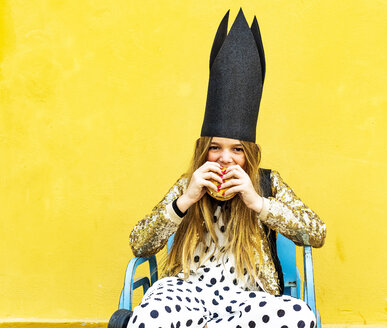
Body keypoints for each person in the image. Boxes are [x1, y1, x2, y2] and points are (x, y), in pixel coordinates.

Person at [127, 9, 326, 328]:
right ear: (203, 150)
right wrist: (183, 202)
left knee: (298, 315)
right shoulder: (187, 185)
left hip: (247, 300)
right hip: (186, 294)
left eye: (237, 150)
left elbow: (315, 233)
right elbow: (140, 243)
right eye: (215, 148)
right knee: (153, 313)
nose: (225, 158)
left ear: (250, 154)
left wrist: (258, 203)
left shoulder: (266, 183)